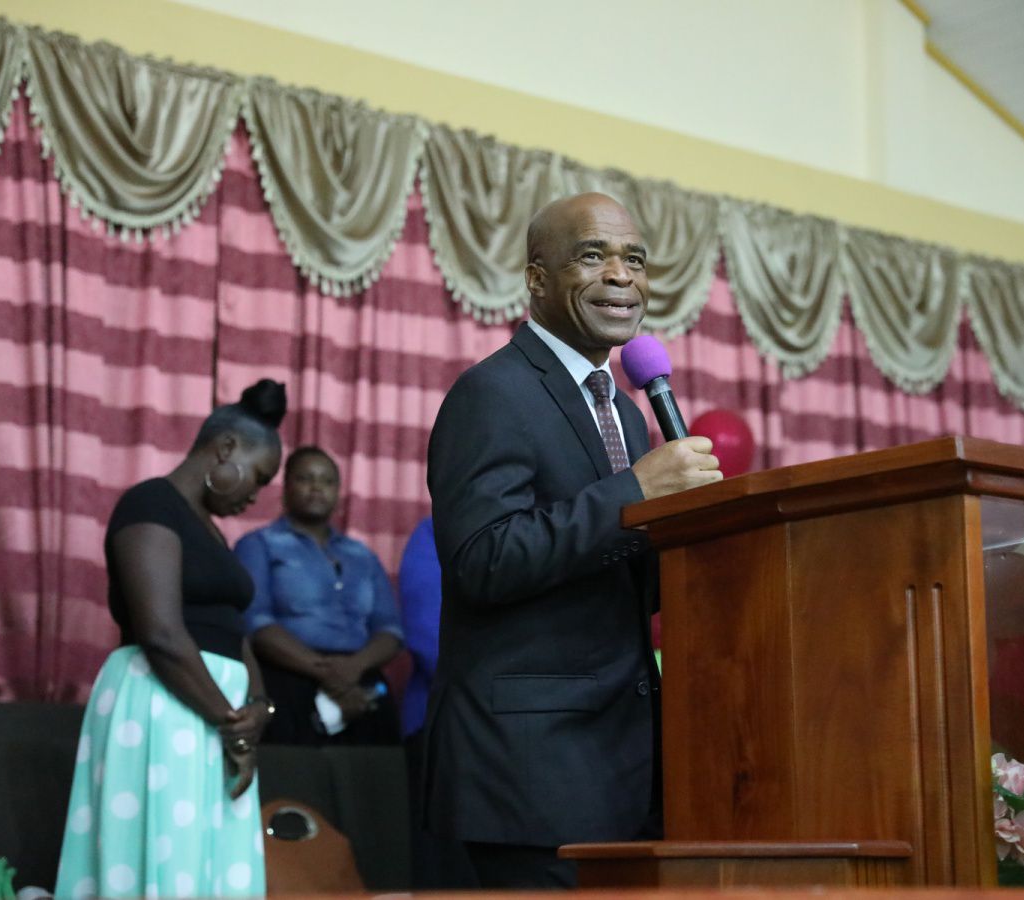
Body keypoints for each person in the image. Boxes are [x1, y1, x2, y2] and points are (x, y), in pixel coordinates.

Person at [422, 192, 723, 888]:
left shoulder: (628, 412)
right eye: (593, 255)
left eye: (635, 260)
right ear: (536, 279)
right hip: (530, 768)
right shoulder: (492, 392)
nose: (621, 275)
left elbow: (618, 577)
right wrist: (635, 494)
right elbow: (481, 560)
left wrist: (703, 542)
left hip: (625, 759)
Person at [55, 380, 286, 900]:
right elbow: (160, 632)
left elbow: (233, 631)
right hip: (165, 703)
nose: (255, 496)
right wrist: (234, 725)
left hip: (212, 714)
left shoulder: (211, 531)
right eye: (258, 477)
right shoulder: (150, 504)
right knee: (164, 859)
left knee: (204, 865)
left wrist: (258, 706)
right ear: (225, 448)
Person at [234, 446, 403, 746]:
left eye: (327, 481)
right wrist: (325, 671)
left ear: (339, 492)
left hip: (362, 686)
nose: (316, 488)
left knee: (375, 775)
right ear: (285, 488)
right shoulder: (260, 545)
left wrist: (353, 668)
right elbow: (255, 622)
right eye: (305, 479)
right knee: (294, 776)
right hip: (289, 682)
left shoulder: (362, 555)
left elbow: (390, 628)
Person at [398, 516, 476, 890]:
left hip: (519, 726)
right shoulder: (435, 530)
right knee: (448, 861)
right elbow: (427, 635)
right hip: (445, 717)